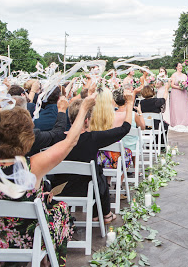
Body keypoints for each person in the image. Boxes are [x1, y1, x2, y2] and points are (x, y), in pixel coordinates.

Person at [0, 94, 96, 267]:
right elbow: (70, 141)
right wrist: (83, 108)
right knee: (59, 209)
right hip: (32, 242)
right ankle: (48, 261)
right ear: (27, 136)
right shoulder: (32, 167)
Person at [51, 91, 135, 225]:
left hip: (57, 190)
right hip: (86, 190)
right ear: (86, 120)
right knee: (98, 173)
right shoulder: (93, 138)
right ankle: (105, 214)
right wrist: (130, 103)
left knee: (97, 172)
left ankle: (102, 213)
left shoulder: (55, 137)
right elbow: (125, 128)